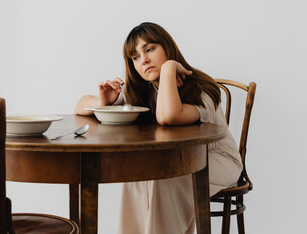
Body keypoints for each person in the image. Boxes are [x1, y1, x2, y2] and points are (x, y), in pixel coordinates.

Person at [75, 22, 243, 234]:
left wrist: (169, 68)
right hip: (179, 159)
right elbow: (80, 106)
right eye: (135, 57)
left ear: (167, 48)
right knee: (137, 173)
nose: (143, 60)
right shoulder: (143, 90)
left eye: (149, 49)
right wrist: (104, 102)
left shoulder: (200, 89)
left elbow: (168, 116)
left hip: (217, 159)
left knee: (167, 177)